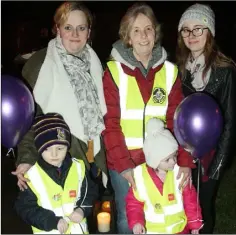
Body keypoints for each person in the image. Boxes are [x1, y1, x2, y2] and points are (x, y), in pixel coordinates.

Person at [102, 2, 195, 233]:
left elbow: (178, 121)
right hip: (126, 164)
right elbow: (110, 124)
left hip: (164, 161)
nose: (143, 35)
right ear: (127, 37)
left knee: (165, 216)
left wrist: (184, 161)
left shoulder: (170, 72)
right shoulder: (113, 72)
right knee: (129, 218)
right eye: (136, 30)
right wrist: (124, 166)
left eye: (148, 29)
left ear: (156, 32)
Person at [12, 1, 108, 191]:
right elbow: (27, 118)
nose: (74, 34)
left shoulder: (97, 65)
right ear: (58, 29)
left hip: (90, 159)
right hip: (56, 164)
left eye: (81, 28)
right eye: (68, 27)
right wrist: (25, 159)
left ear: (88, 32)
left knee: (85, 214)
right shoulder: (40, 64)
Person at [176, 3, 236, 234]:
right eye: (186, 30)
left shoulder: (225, 70)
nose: (192, 36)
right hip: (184, 153)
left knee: (202, 209)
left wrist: (217, 166)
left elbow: (230, 122)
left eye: (198, 29)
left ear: (209, 32)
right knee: (185, 205)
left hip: (211, 157)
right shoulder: (179, 69)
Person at [15, 113, 98, 234]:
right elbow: (25, 208)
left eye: (60, 148)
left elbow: (90, 192)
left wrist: (82, 209)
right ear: (39, 148)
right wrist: (52, 221)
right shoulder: (31, 176)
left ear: (67, 146)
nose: (54, 155)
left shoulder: (79, 167)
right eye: (47, 149)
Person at [126, 118, 203, 234]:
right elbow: (134, 204)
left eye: (174, 156)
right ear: (154, 161)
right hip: (153, 231)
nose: (173, 161)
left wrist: (195, 223)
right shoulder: (140, 177)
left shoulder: (180, 173)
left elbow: (190, 200)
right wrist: (137, 221)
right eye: (167, 159)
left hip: (179, 230)